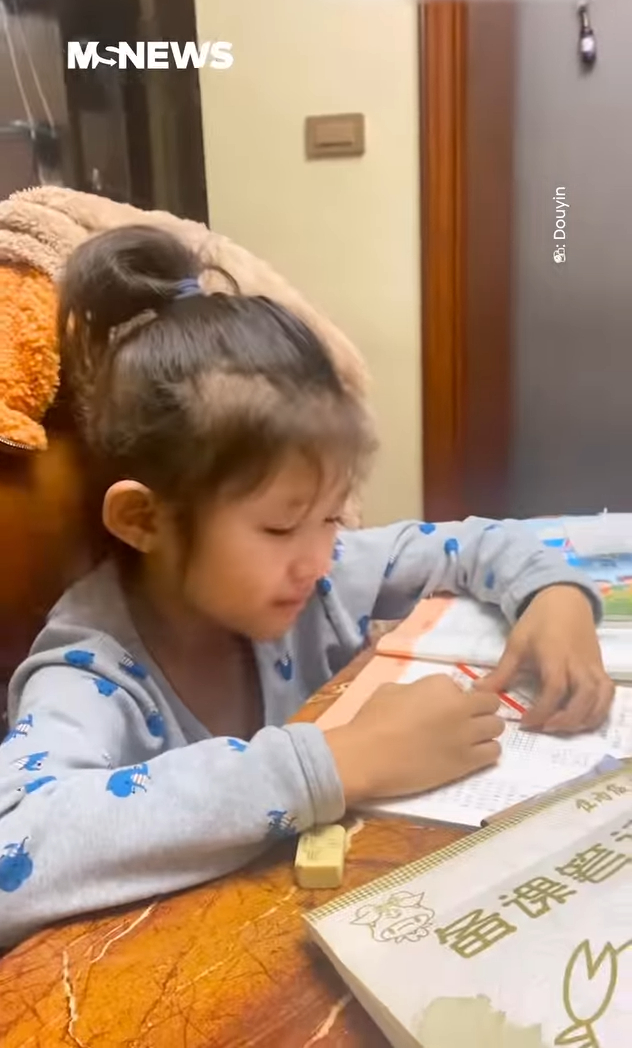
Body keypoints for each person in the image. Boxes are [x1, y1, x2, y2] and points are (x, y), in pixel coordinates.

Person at [0, 226, 613, 949]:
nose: (321, 558)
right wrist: (335, 760)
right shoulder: (91, 666)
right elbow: (18, 847)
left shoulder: (315, 576)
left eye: (331, 516)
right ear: (144, 519)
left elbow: (474, 542)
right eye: (281, 526)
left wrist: (554, 595)